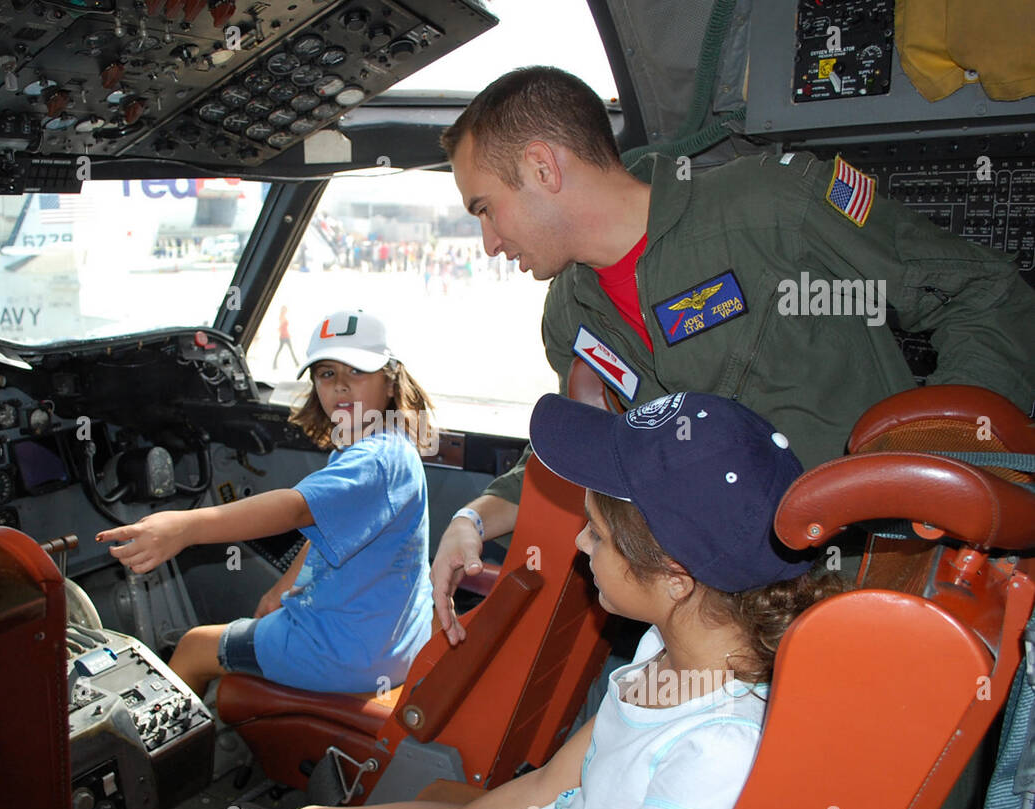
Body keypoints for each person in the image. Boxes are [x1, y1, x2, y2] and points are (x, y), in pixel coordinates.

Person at [431, 65, 1035, 644]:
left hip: (877, 586)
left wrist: (936, 470)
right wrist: (475, 519)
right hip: (733, 621)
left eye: (485, 208)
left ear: (541, 166)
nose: (487, 242)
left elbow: (985, 294)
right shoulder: (572, 315)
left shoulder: (774, 208)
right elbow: (602, 444)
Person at [280, 391, 844, 809]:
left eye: (596, 533)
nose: (579, 543)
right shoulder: (662, 652)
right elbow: (548, 788)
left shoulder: (717, 750)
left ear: (675, 578)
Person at [97, 309, 436, 698]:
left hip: (347, 654)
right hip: (395, 641)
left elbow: (296, 509)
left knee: (193, 647)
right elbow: (329, 529)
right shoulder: (388, 446)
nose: (340, 387)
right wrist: (281, 590)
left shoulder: (372, 462)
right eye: (327, 374)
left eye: (356, 372)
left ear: (391, 382)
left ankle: (164, 757)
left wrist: (185, 528)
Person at [272, 305, 297, 370]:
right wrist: (281, 331)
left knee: (288, 350)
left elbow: (281, 326)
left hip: (285, 336)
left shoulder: (283, 316)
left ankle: (296, 363)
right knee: (284, 350)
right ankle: (296, 363)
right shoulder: (282, 316)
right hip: (284, 336)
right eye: (285, 310)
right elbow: (281, 325)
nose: (286, 311)